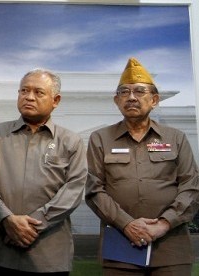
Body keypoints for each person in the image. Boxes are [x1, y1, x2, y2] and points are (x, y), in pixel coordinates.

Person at [85, 57, 199, 275]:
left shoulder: (176, 138)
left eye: (139, 91)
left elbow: (191, 187)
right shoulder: (100, 139)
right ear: (116, 100)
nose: (131, 98)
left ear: (154, 100)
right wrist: (127, 224)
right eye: (124, 92)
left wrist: (163, 224)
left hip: (171, 247)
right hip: (120, 245)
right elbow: (94, 190)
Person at [0, 68, 88, 275]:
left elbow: (74, 190)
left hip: (49, 254)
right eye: (23, 91)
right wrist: (7, 219)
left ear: (56, 100)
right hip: (1, 249)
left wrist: (32, 226)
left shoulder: (71, 141)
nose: (29, 97)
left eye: (38, 92)